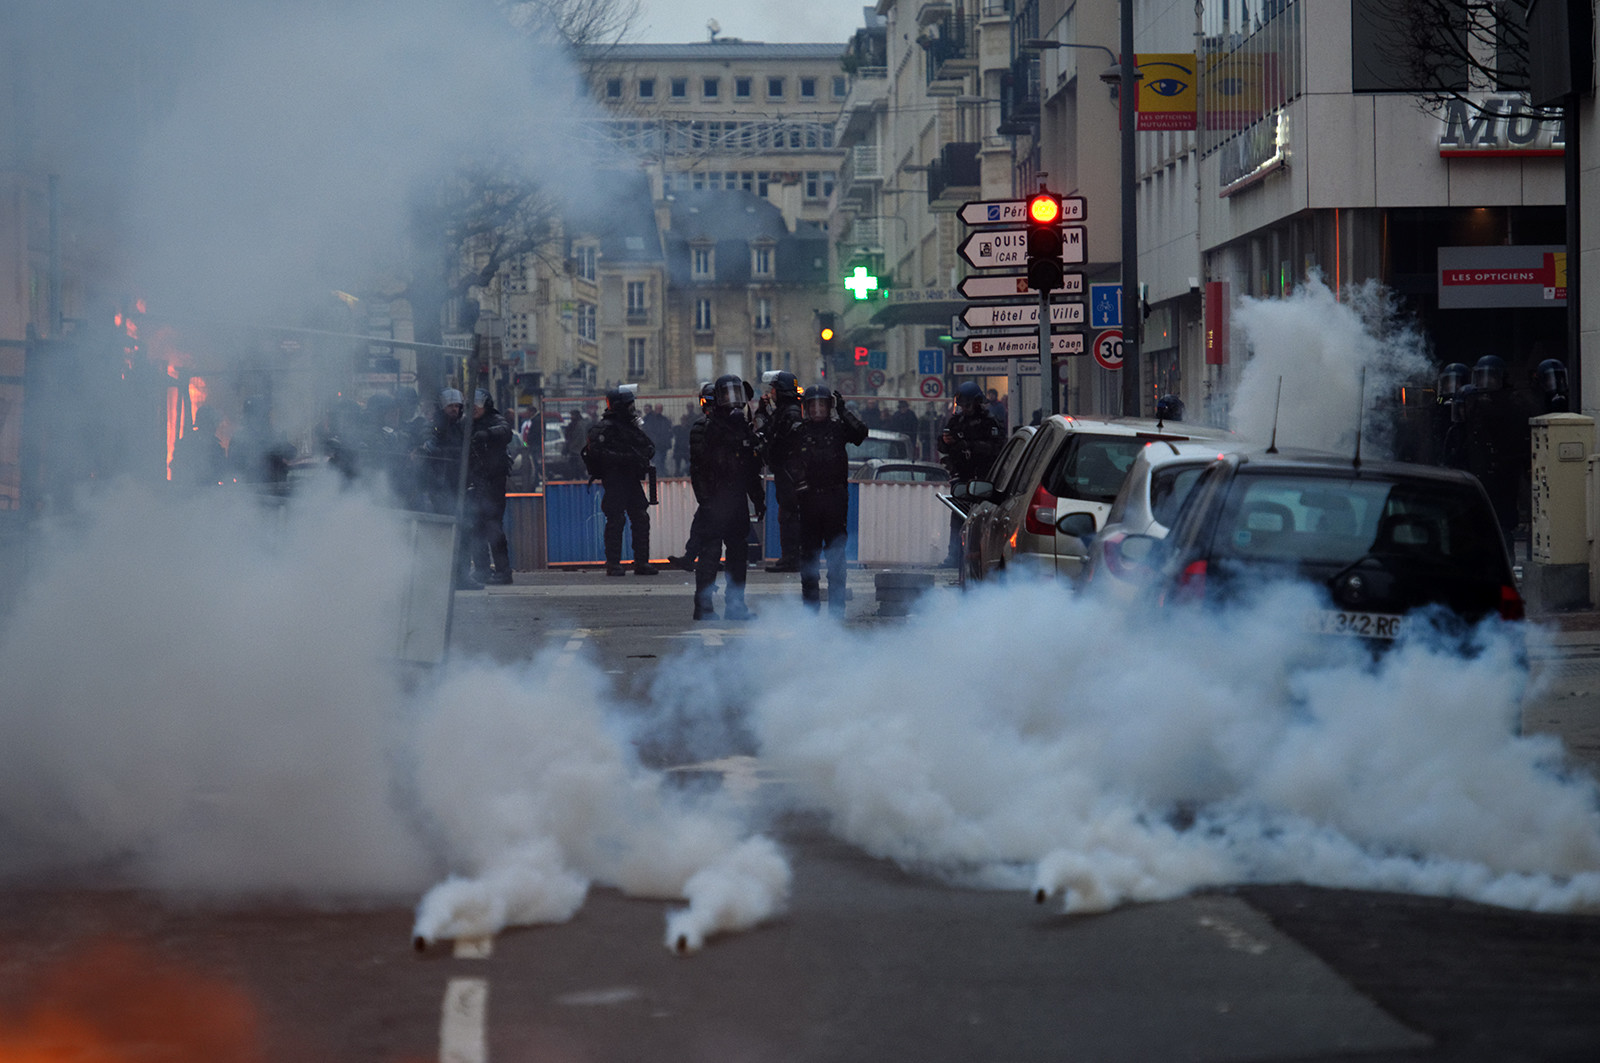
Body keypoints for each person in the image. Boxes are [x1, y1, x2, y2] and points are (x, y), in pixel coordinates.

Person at [786, 385, 868, 615]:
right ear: (807, 408)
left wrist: (844, 411)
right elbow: (787, 459)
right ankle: (810, 610)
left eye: (822, 404)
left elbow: (861, 434)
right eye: (813, 405)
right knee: (809, 558)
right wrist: (799, 484)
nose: (818, 409)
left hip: (834, 500)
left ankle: (836, 610)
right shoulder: (799, 431)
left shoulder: (838, 428)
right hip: (809, 500)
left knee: (836, 559)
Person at [690, 375, 765, 620]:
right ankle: (703, 606)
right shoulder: (709, 428)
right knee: (710, 554)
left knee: (737, 555)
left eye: (737, 395)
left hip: (736, 500)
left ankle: (735, 605)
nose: (733, 402)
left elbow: (750, 468)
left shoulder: (742, 426)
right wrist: (705, 500)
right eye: (727, 396)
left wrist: (758, 497)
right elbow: (699, 469)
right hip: (715, 498)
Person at [583, 387, 658, 576]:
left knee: (640, 517)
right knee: (616, 520)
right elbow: (597, 453)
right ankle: (613, 563)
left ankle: (641, 562)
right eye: (629, 405)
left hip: (631, 479)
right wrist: (625, 458)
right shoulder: (604, 427)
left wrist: (641, 456)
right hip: (615, 479)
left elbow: (649, 446)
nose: (633, 408)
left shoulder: (631, 426)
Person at [419, 388, 482, 589]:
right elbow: (428, 451)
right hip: (440, 488)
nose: (454, 410)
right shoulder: (433, 428)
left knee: (464, 533)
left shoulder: (462, 428)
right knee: (443, 535)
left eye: (457, 406)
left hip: (459, 487)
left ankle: (461, 576)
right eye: (450, 406)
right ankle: (442, 577)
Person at [937, 382, 1003, 566]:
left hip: (984, 477)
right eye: (961, 406)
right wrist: (947, 441)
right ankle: (954, 555)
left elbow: (996, 449)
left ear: (976, 402)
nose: (964, 409)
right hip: (962, 475)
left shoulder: (990, 422)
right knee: (958, 515)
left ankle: (979, 554)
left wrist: (968, 444)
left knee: (983, 517)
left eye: (967, 405)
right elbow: (941, 446)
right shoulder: (956, 421)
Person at [756, 371, 804, 572]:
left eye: (774, 389)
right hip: (785, 469)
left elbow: (777, 438)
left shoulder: (790, 412)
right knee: (787, 513)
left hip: (789, 471)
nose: (771, 393)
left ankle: (792, 558)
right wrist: (762, 412)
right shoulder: (785, 410)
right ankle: (789, 557)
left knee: (789, 515)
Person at [668, 383, 717, 573]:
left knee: (707, 523)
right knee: (704, 522)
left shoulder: (705, 425)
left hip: (717, 485)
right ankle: (699, 558)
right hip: (717, 485)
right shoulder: (711, 424)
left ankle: (699, 558)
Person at [468, 389, 515, 585]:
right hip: (475, 480)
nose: (474, 408)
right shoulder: (467, 423)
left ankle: (503, 571)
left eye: (478, 404)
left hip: (493, 481)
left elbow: (506, 431)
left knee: (492, 525)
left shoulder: (495, 419)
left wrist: (487, 433)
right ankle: (482, 570)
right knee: (475, 526)